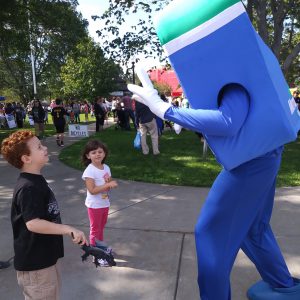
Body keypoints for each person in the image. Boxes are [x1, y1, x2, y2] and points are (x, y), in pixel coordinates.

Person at [128, 0, 300, 299]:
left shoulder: (233, 84)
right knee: (254, 227)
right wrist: (182, 117)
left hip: (250, 165)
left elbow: (229, 121)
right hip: (265, 157)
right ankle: (282, 283)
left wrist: (165, 110)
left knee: (210, 234)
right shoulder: (237, 70)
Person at [0, 130, 88, 300]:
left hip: (45, 258)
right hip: (36, 265)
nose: (45, 147)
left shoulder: (35, 179)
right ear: (26, 159)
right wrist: (68, 229)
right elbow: (33, 223)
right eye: (39, 147)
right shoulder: (28, 187)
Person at [81, 140, 118, 267]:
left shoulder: (106, 167)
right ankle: (96, 256)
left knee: (101, 227)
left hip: (104, 203)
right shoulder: (90, 171)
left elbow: (107, 182)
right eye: (93, 152)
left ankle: (101, 247)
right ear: (88, 155)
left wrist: (109, 183)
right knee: (95, 229)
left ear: (104, 153)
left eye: (100, 152)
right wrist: (108, 184)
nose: (97, 154)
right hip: (94, 205)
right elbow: (92, 190)